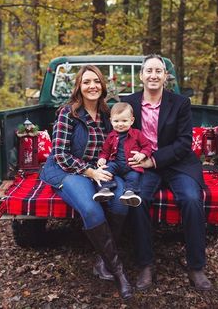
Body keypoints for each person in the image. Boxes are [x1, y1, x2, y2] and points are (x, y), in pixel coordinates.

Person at [39, 65, 132, 299]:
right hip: (68, 170)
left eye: (97, 81)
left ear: (103, 86)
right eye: (87, 82)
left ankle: (103, 261)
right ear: (79, 87)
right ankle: (119, 272)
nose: (92, 86)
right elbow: (59, 153)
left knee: (121, 201)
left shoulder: (107, 114)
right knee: (91, 209)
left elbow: (115, 144)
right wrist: (89, 172)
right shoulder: (67, 113)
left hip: (100, 169)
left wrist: (114, 164)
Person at [122, 54, 212, 292]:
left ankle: (196, 267)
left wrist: (154, 160)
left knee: (192, 199)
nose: (153, 75)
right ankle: (145, 265)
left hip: (178, 163)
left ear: (165, 76)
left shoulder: (180, 103)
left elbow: (184, 142)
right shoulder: (129, 102)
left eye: (158, 71)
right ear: (141, 76)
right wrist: (141, 158)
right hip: (144, 163)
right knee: (137, 200)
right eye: (149, 71)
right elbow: (122, 135)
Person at [93, 102, 153, 207]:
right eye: (116, 121)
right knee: (106, 170)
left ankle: (129, 193)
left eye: (124, 121)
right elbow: (105, 151)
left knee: (134, 176)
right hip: (115, 164)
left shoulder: (137, 134)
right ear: (111, 121)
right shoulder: (111, 136)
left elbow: (147, 146)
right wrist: (102, 158)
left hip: (131, 166)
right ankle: (105, 190)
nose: (120, 124)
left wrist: (142, 154)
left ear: (132, 121)